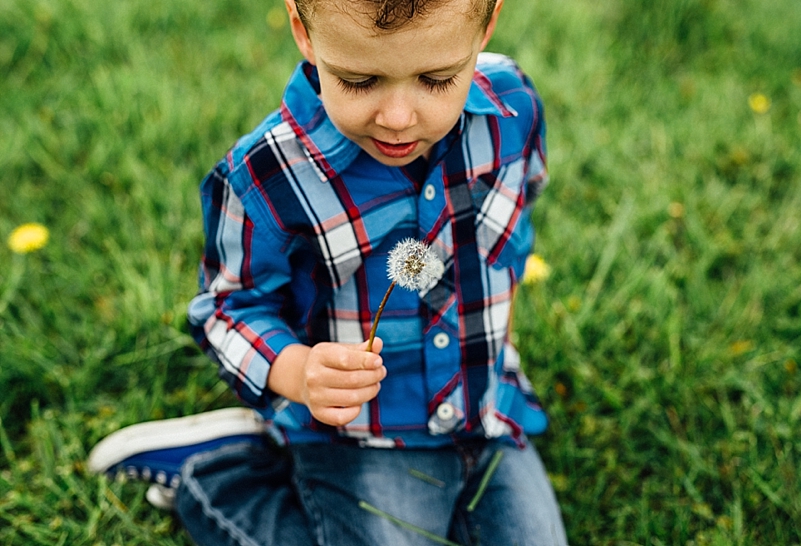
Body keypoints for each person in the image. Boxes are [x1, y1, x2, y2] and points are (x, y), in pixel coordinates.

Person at [88, 0, 569, 544]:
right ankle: (219, 482)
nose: (397, 117)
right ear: (304, 32)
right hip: (353, 436)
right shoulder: (269, 175)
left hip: (487, 412)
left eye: (436, 79)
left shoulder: (514, 110)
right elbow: (225, 307)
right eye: (360, 81)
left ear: (487, 26)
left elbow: (517, 217)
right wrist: (296, 372)